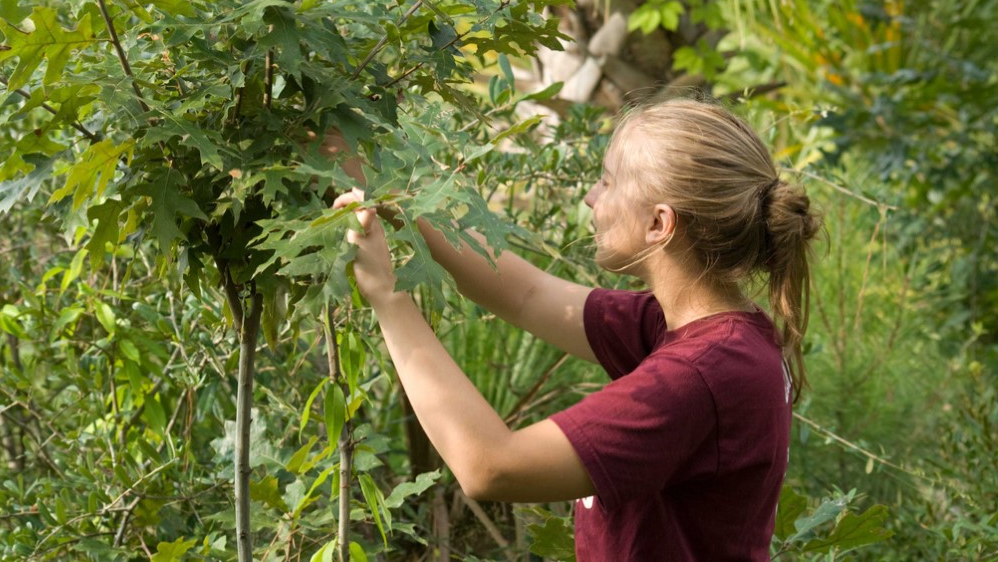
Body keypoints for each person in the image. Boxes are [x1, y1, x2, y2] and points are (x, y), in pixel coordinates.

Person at [331, 98, 822, 560]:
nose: (591, 198)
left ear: (660, 224)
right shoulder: (710, 330)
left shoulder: (700, 376)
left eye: (607, 183)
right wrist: (384, 190)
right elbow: (527, 296)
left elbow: (491, 466)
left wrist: (389, 298)